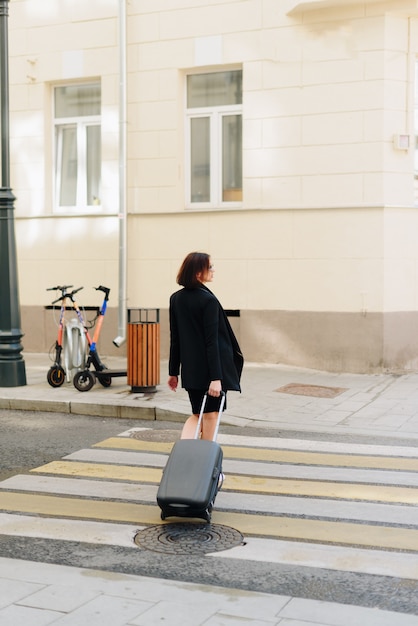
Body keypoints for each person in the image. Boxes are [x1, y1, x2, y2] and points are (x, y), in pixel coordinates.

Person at [168, 252, 244, 441]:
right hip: (211, 373)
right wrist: (216, 378)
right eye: (209, 267)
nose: (213, 270)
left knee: (198, 414)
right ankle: (206, 466)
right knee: (211, 417)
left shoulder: (176, 299)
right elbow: (212, 342)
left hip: (191, 372)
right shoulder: (207, 300)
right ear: (197, 273)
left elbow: (175, 339)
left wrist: (173, 372)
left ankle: (191, 457)